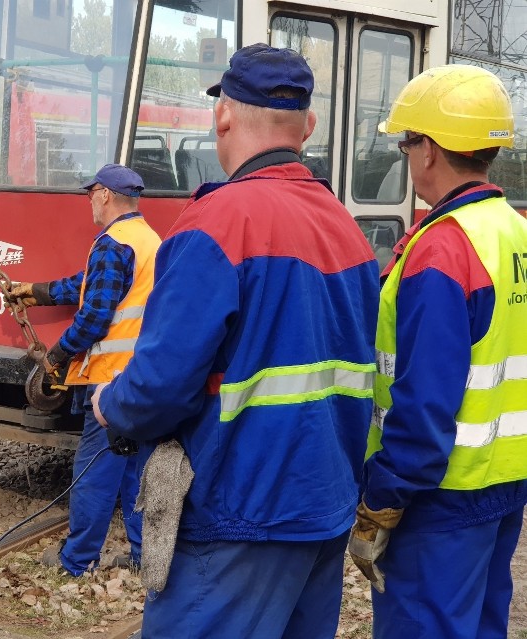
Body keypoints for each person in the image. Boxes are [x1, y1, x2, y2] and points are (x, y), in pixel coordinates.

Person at [90, 44, 380, 638]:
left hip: (239, 518)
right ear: (309, 127)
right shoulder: (346, 228)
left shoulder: (217, 223)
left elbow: (161, 387)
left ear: (222, 116)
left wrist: (110, 406)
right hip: (323, 513)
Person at [348, 65, 527, 638]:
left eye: (406, 141)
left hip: (439, 496)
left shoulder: (443, 249)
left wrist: (382, 499)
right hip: (504, 483)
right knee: (478, 625)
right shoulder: (514, 232)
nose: (405, 154)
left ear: (428, 149)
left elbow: (424, 403)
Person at [9, 163, 160, 576]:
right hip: (142, 376)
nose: (89, 202)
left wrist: (55, 358)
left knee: (94, 469)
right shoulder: (147, 239)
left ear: (105, 194)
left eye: (90, 193)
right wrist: (36, 292)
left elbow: (94, 316)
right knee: (134, 469)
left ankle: (76, 561)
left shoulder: (113, 243)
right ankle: (144, 557)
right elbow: (91, 284)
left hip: (109, 380)